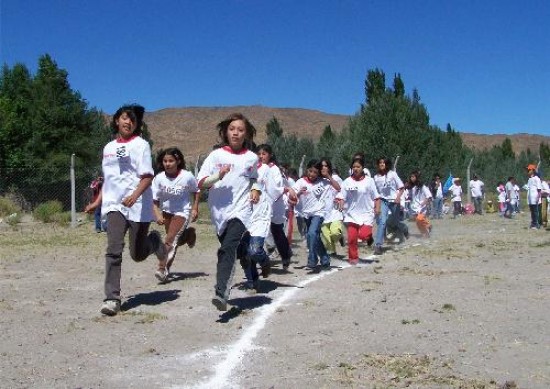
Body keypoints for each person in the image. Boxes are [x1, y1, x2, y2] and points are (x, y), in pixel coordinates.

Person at [84, 104, 165, 316]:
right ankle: (112, 298)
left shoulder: (141, 145)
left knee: (137, 254)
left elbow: (147, 176)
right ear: (117, 121)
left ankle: (154, 242)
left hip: (138, 205)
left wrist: (135, 195)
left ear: (136, 124)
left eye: (132, 119)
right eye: (123, 118)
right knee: (113, 250)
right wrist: (97, 202)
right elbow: (108, 181)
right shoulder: (108, 148)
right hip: (114, 205)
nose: (127, 122)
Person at [197, 113, 261, 311]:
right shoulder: (216, 156)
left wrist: (255, 190)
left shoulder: (251, 157)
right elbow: (201, 182)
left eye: (241, 130)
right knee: (237, 249)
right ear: (225, 131)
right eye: (232, 129)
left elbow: (254, 178)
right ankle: (252, 260)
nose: (236, 133)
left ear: (247, 134)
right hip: (219, 213)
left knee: (226, 249)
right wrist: (219, 175)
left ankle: (221, 292)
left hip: (241, 211)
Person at [151, 147, 199, 283]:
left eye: (171, 161)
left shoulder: (187, 176)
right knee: (175, 241)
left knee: (170, 240)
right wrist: (158, 215)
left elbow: (196, 191)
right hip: (167, 213)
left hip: (182, 212)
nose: (167, 163)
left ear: (178, 161)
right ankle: (189, 234)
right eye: (165, 161)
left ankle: (161, 268)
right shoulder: (159, 178)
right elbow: (154, 201)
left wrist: (195, 207)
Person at [292, 159, 340, 270]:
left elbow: (338, 188)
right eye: (310, 171)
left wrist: (328, 175)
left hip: (319, 213)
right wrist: (299, 193)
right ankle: (325, 259)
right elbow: (293, 195)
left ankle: (312, 260)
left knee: (312, 234)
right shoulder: (300, 182)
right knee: (315, 237)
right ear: (306, 170)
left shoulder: (323, 182)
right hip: (306, 214)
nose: (312, 174)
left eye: (315, 172)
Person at [256, 145, 297, 271]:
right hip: (259, 205)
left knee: (277, 232)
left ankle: (285, 255)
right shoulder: (257, 168)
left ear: (270, 155)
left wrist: (284, 189)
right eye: (259, 154)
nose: (261, 156)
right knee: (258, 230)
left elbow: (275, 188)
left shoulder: (274, 170)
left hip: (274, 204)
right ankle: (259, 257)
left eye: (264, 154)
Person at [336, 155, 380, 264]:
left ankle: (369, 237)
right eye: (354, 167)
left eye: (358, 166)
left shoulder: (369, 181)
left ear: (363, 168)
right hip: (352, 214)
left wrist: (377, 208)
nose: (356, 169)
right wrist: (340, 201)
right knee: (351, 238)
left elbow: (376, 197)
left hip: (367, 214)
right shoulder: (347, 181)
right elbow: (341, 195)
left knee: (363, 235)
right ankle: (353, 258)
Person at [373, 157, 408, 255]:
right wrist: (376, 205)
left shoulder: (393, 174)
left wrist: (398, 198)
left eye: (383, 162)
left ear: (387, 164)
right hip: (383, 201)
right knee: (382, 222)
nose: (381, 164)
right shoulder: (376, 177)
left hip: (394, 201)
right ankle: (378, 245)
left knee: (396, 222)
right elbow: (375, 192)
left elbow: (401, 187)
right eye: (380, 162)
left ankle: (405, 230)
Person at [319, 158, 343, 257]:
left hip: (334, 211)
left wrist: (328, 177)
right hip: (322, 213)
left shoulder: (335, 178)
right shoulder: (317, 180)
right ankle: (332, 252)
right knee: (326, 236)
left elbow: (339, 188)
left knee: (335, 233)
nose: (324, 168)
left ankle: (340, 237)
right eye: (322, 166)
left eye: (326, 166)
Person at [408, 170, 433, 238]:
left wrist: (424, 203)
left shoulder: (423, 187)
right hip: (414, 207)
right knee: (418, 222)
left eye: (413, 176)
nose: (411, 178)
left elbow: (429, 197)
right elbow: (410, 197)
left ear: (417, 177)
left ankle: (428, 225)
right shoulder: (411, 188)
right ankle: (425, 234)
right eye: (411, 177)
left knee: (419, 219)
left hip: (422, 207)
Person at [526, 164, 542, 229]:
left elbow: (539, 190)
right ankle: (533, 223)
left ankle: (537, 224)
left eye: (528, 170)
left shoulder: (537, 179)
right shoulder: (529, 179)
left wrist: (538, 198)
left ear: (533, 170)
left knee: (535, 212)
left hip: (535, 198)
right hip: (530, 199)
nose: (527, 171)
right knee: (532, 212)